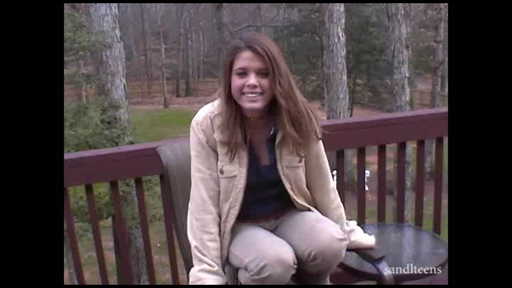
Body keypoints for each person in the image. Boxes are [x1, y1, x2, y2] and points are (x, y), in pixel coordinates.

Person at [187, 32, 375, 285]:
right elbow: (203, 206)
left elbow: (322, 184)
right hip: (241, 226)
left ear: (277, 79)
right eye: (242, 73)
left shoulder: (296, 116)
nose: (252, 82)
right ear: (229, 79)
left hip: (289, 215)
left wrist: (344, 229)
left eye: (263, 74)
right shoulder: (208, 125)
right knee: (275, 263)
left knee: (331, 242)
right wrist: (207, 274)